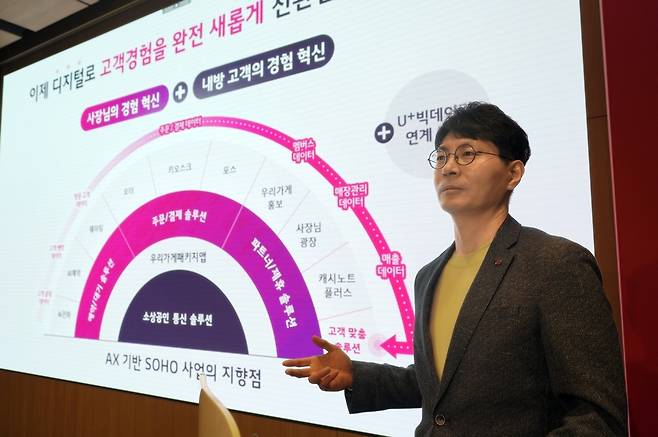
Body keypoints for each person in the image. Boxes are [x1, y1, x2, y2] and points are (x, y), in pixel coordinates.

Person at [282, 102, 627, 436]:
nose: (449, 167)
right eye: (442, 156)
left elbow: (597, 418)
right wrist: (356, 374)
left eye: (467, 153)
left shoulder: (556, 263)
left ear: (513, 173)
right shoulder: (429, 276)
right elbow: (443, 385)